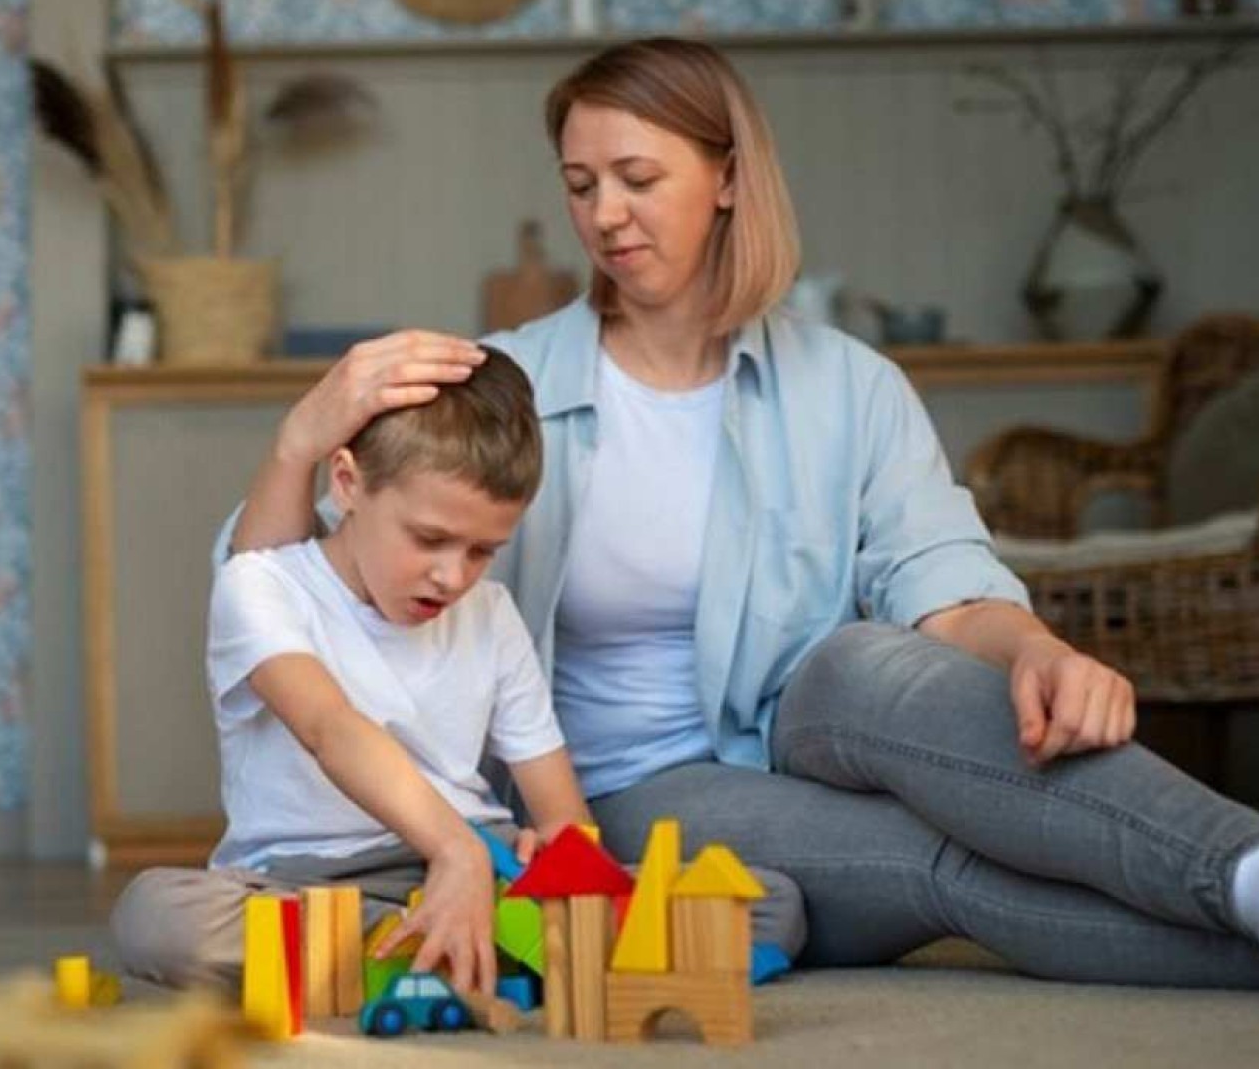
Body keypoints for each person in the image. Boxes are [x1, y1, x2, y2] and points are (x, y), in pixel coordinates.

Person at [213, 37, 1259, 1024]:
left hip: (810, 718)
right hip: (617, 793)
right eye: (580, 184)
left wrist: (1031, 653)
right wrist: (295, 434)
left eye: (638, 176)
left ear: (727, 179)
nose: (606, 214)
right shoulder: (501, 377)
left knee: (870, 658)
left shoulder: (844, 384)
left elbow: (940, 579)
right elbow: (282, 575)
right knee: (939, 864)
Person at [110, 347, 806, 994]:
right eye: (430, 539)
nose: (452, 576)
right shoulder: (260, 585)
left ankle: (448, 952)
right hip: (311, 881)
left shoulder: (492, 613)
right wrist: (452, 853)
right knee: (158, 916)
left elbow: (563, 812)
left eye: (482, 550)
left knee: (770, 902)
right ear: (348, 482)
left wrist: (558, 861)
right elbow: (330, 726)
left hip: (486, 861)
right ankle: (477, 951)